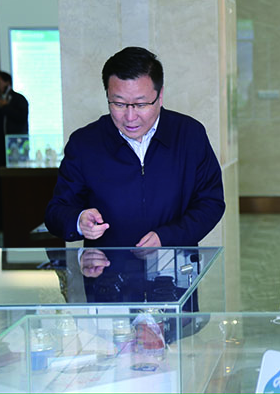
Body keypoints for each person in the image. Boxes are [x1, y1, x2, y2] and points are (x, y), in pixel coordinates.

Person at [45, 47, 225, 280]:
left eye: (141, 104)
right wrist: (79, 221)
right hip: (108, 281)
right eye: (118, 104)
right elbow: (56, 211)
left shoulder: (189, 135)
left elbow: (210, 202)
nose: (130, 117)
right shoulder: (84, 143)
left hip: (174, 276)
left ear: (160, 96)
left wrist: (167, 237)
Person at [0, 71, 29, 233]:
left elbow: (22, 118)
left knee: (16, 185)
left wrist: (6, 107)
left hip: (16, 150)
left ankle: (16, 222)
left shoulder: (18, 100)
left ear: (7, 82)